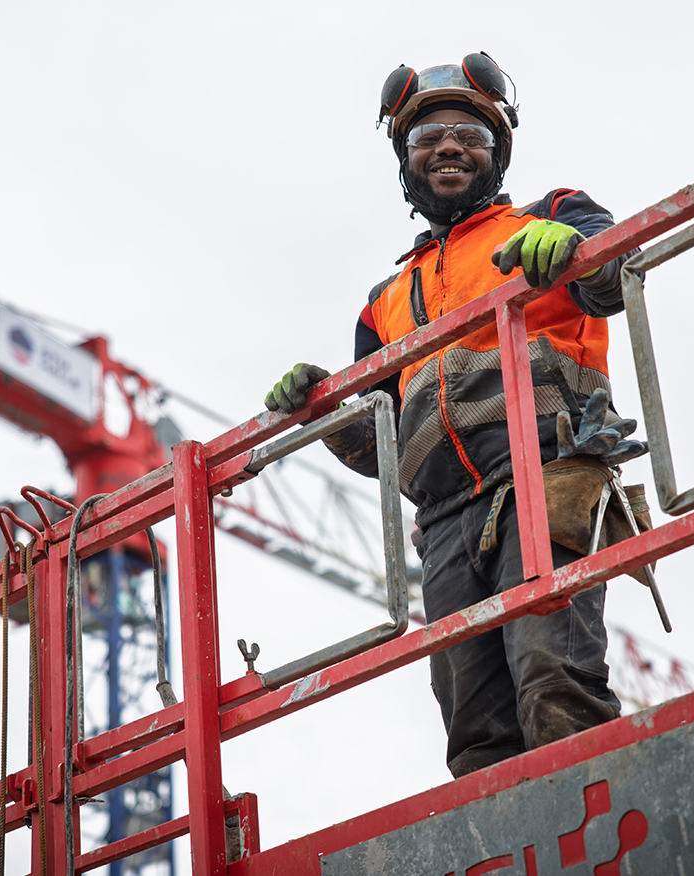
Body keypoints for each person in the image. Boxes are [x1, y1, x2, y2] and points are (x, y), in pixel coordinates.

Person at [264, 54, 645, 778]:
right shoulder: (385, 300)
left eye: (469, 134)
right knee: (472, 728)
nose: (447, 146)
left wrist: (581, 254)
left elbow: (618, 279)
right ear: (405, 163)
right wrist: (320, 414)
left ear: (498, 153)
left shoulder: (552, 215)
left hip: (544, 478)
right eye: (427, 136)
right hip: (442, 523)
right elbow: (384, 444)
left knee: (553, 679)